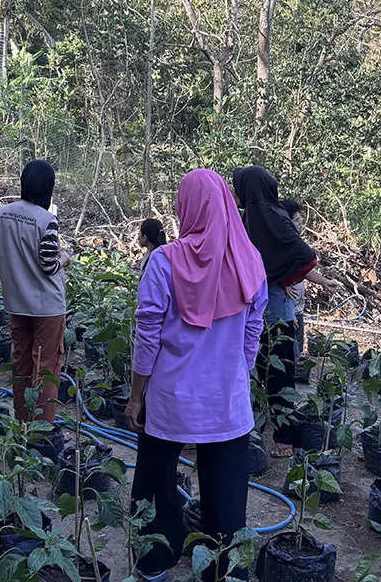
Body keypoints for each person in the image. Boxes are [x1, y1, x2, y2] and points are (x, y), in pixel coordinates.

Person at [125, 169, 268, 582]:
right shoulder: (250, 261)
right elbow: (253, 332)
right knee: (226, 497)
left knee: (155, 480)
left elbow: (147, 337)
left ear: (184, 207)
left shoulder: (162, 262)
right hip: (226, 402)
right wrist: (235, 374)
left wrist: (137, 397)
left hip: (170, 399)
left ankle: (154, 564)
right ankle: (225, 573)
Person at [232, 166, 343, 458]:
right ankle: (251, 432)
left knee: (280, 372)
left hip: (273, 308)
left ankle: (283, 435)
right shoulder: (240, 221)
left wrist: (321, 280)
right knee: (250, 371)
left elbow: (299, 255)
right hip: (247, 311)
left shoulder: (276, 218)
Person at [0, 160, 70, 422]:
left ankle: (21, 421)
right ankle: (43, 429)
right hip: (47, 305)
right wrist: (64, 258)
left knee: (21, 364)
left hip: (17, 302)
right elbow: (49, 265)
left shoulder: (3, 213)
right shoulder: (46, 219)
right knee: (47, 367)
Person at [281, 199, 309, 358]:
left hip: (298, 310)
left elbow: (304, 269)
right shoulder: (281, 246)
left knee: (296, 357)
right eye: (297, 221)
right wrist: (289, 313)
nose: (300, 225)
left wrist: (325, 282)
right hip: (288, 313)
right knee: (290, 358)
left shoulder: (296, 244)